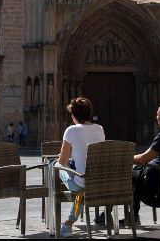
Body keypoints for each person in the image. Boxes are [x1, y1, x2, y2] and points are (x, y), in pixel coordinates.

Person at [56, 97, 105, 238]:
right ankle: (69, 222)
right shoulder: (100, 129)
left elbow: (62, 161)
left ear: (74, 115)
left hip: (80, 182)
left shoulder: (71, 130)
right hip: (96, 181)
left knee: (54, 165)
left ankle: (55, 218)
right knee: (81, 183)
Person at [127, 104, 160, 225]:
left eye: (157, 115)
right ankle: (133, 216)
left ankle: (127, 216)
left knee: (126, 176)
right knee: (136, 172)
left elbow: (143, 158)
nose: (156, 118)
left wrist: (127, 158)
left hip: (155, 182)